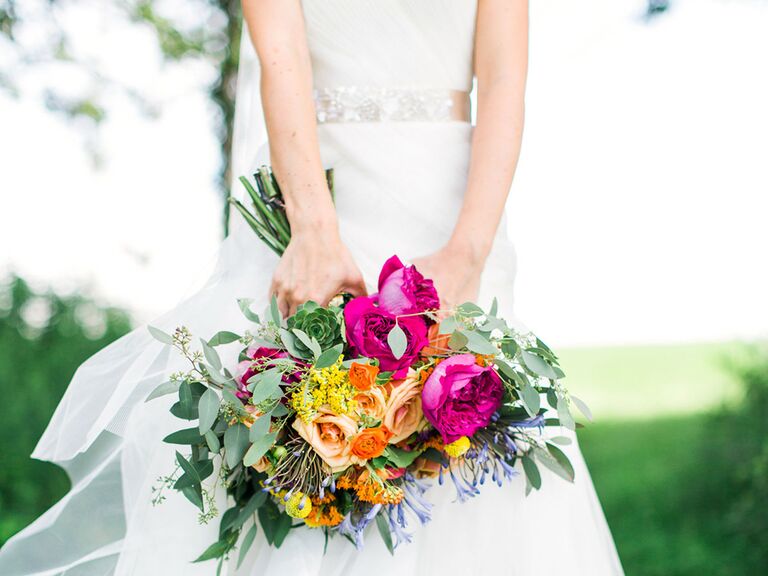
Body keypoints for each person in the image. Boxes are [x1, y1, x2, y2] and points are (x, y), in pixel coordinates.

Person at [0, 1, 624, 574]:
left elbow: (505, 80)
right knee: (297, 456)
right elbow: (281, 53)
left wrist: (468, 250)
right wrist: (315, 227)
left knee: (461, 443)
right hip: (317, 185)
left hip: (453, 203)